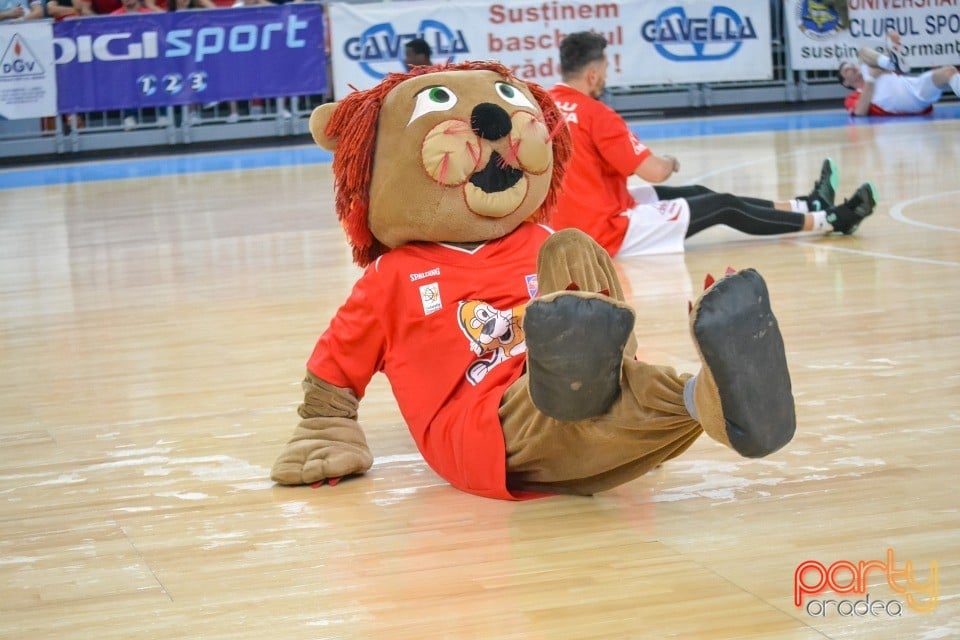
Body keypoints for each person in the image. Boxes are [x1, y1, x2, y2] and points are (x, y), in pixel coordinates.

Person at [549, 31, 878, 258]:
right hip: (604, 233)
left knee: (696, 193)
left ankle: (807, 204)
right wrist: (669, 160)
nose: (607, 77)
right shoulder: (596, 114)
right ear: (592, 74)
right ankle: (831, 220)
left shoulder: (543, 106)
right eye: (605, 69)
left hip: (569, 223)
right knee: (723, 206)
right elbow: (655, 173)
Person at [838, 30, 960, 117]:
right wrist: (870, 79)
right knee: (867, 56)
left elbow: (878, 58)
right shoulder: (853, 97)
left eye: (852, 64)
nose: (852, 67)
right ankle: (890, 62)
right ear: (845, 82)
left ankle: (889, 62)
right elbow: (860, 112)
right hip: (905, 104)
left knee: (949, 71)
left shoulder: (869, 67)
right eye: (846, 70)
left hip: (915, 87)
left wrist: (893, 46)